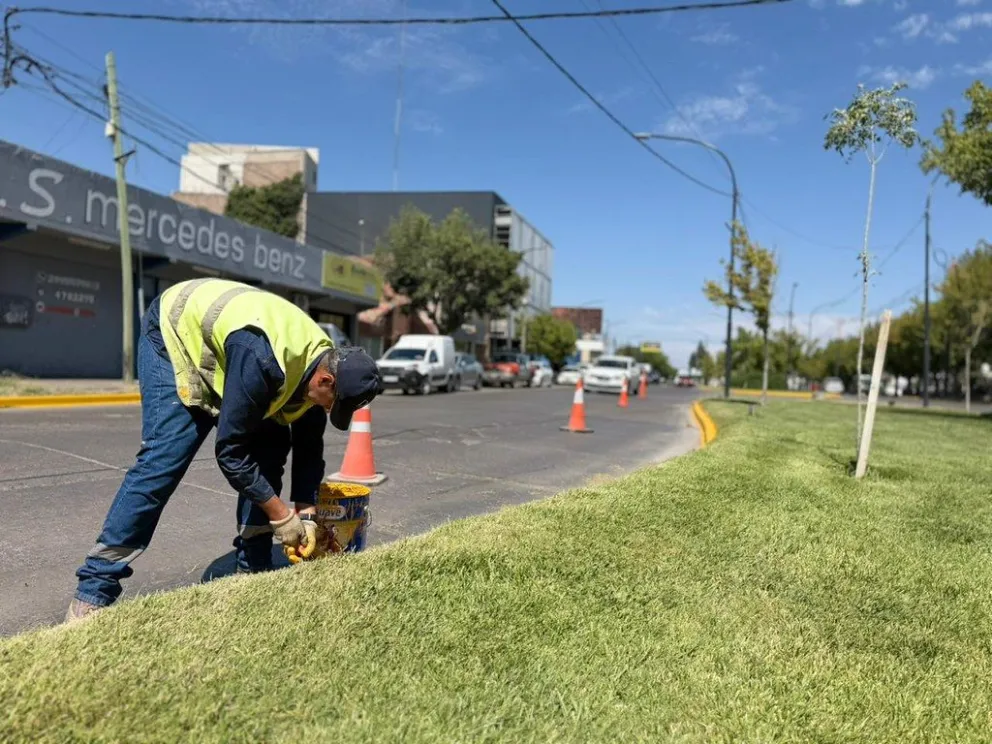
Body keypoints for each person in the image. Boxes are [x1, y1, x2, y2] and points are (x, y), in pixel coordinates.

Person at [66, 277, 383, 622]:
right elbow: (230, 452)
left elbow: (309, 450)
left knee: (270, 453)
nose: (326, 411)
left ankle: (254, 565)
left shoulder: (321, 367)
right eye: (331, 404)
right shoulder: (265, 359)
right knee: (164, 459)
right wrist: (281, 514)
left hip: (237, 351)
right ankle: (94, 589)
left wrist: (305, 519)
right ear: (326, 381)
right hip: (175, 335)